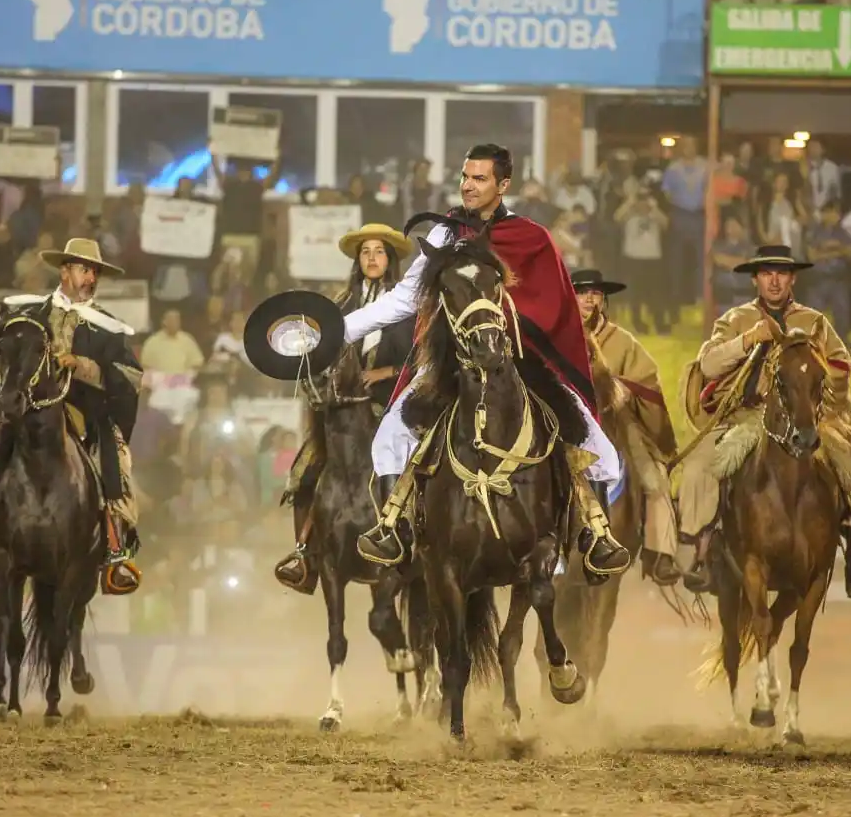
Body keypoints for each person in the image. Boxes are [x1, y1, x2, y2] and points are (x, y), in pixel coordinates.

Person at [348, 143, 631, 583]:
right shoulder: (444, 234)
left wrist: (513, 331)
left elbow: (552, 306)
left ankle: (596, 536)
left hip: (522, 360)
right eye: (465, 176)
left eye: (479, 178)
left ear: (503, 185)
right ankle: (393, 529)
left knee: (598, 444)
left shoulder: (533, 237)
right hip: (453, 361)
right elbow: (405, 299)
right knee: (391, 432)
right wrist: (338, 330)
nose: (468, 185)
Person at [0, 239, 144, 595]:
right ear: (64, 271)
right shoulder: (28, 314)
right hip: (24, 404)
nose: (90, 278)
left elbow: (130, 376)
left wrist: (83, 365)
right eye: (84, 269)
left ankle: (116, 552)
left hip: (82, 409)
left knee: (118, 457)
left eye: (94, 272)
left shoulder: (109, 326)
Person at [676, 245, 851, 597]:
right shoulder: (735, 320)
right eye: (767, 273)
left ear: (793, 278)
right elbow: (708, 366)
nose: (774, 280)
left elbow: (841, 366)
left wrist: (821, 390)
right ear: (756, 279)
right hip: (747, 416)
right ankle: (704, 550)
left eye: (781, 273)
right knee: (701, 467)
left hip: (808, 416)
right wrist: (748, 340)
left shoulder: (814, 322)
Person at [274, 222, 417, 593]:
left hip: (393, 406)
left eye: (379, 252)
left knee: (424, 468)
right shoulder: (338, 307)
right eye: (365, 252)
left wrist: (385, 372)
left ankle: (425, 543)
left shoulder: (412, 310)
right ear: (358, 260)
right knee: (303, 474)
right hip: (341, 410)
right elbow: (317, 355)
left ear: (391, 260)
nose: (372, 258)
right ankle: (306, 555)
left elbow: (425, 361)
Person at [572, 268, 681, 585]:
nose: (590, 298)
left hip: (616, 421)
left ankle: (660, 553)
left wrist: (617, 389)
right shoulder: (559, 335)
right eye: (582, 292)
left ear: (603, 299)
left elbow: (648, 383)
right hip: (566, 422)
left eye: (596, 293)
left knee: (654, 477)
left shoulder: (622, 340)